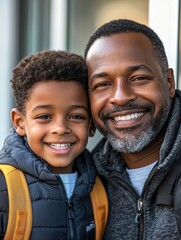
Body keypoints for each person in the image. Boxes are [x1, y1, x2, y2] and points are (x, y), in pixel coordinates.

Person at [84, 19, 181, 240]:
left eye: (138, 78)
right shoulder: (85, 184)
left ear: (168, 83)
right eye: (102, 84)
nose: (120, 97)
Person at [0, 50, 98, 239]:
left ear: (91, 124)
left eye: (76, 116)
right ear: (20, 122)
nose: (60, 128)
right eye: (44, 117)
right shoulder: (5, 185)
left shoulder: (99, 187)